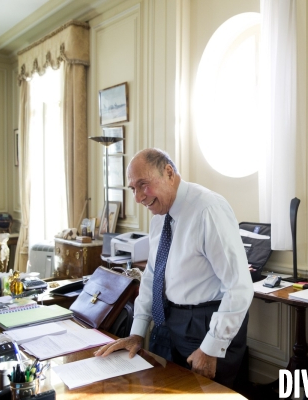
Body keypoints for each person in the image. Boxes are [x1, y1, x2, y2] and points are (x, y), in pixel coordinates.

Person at [95, 148, 254, 388]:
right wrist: (137, 332)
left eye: (143, 184)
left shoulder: (208, 210)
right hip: (172, 322)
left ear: (169, 172)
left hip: (208, 324)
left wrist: (210, 348)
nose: (138, 197)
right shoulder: (160, 214)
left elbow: (239, 287)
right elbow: (152, 276)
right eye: (133, 188)